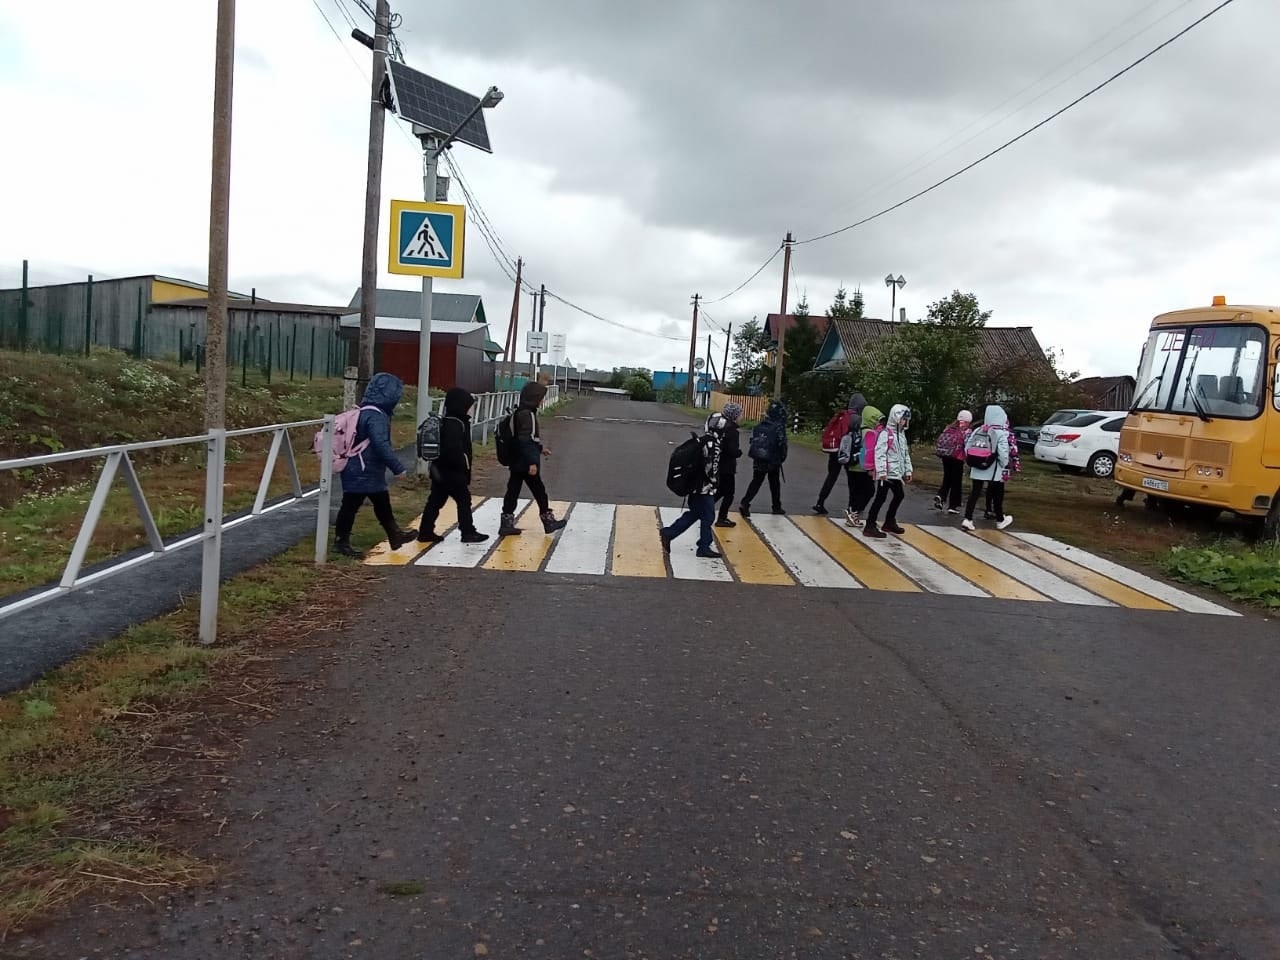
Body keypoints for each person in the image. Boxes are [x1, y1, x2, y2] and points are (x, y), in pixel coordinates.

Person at [333, 372, 417, 558]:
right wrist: (397, 468)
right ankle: (341, 542)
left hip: (361, 467)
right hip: (364, 468)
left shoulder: (364, 411)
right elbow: (381, 445)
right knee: (352, 505)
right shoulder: (376, 416)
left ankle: (394, 534)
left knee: (380, 501)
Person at [417, 388, 488, 545]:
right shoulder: (456, 424)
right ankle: (467, 531)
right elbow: (453, 449)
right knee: (464, 500)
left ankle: (425, 532)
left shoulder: (448, 421)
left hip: (439, 470)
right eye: (469, 406)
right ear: (461, 405)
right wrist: (463, 467)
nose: (471, 409)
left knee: (435, 501)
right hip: (453, 472)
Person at [498, 381, 568, 537]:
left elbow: (524, 438)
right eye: (541, 398)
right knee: (539, 492)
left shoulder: (519, 412)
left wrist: (540, 448)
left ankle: (506, 523)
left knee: (512, 491)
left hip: (516, 459)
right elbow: (526, 440)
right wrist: (532, 462)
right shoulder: (527, 415)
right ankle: (548, 521)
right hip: (525, 462)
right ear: (534, 398)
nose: (542, 401)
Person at [660, 421, 723, 559]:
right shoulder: (713, 444)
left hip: (694, 487)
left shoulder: (703, 440)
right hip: (704, 488)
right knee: (708, 516)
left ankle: (669, 533)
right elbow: (709, 467)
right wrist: (714, 482)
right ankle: (703, 547)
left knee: (695, 513)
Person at [864, 404, 913, 538]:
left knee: (898, 495)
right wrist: (881, 472)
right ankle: (870, 525)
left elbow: (905, 454)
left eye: (906, 419)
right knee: (881, 498)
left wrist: (908, 471)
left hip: (895, 474)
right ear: (895, 418)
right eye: (902, 418)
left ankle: (889, 522)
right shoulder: (886, 434)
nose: (904, 421)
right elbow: (879, 453)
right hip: (886, 474)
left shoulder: (901, 435)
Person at [963, 404, 1014, 531]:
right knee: (996, 495)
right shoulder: (1001, 434)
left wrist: (973, 460)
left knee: (974, 493)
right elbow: (1003, 454)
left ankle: (968, 519)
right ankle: (1000, 520)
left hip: (976, 466)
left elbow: (967, 447)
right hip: (993, 470)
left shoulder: (978, 430)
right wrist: (1003, 464)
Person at [814, 392, 866, 516]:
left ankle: (820, 502)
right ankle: (852, 507)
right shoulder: (857, 418)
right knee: (852, 481)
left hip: (835, 450)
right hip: (847, 452)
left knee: (831, 477)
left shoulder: (842, 415)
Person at [739, 399, 788, 517]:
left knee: (756, 481)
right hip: (773, 460)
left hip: (759, 457)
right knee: (774, 483)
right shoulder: (779, 426)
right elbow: (782, 444)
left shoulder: (761, 424)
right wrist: (782, 457)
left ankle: (745, 502)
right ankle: (776, 506)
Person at [844, 403, 882, 527]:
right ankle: (854, 513)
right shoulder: (871, 433)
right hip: (863, 468)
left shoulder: (856, 429)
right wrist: (873, 468)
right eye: (877, 420)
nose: (878, 423)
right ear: (871, 419)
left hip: (851, 466)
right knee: (869, 491)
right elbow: (871, 452)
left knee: (854, 492)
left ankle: (851, 513)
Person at [710, 401, 743, 528]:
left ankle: (704, 509)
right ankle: (721, 518)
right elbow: (732, 450)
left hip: (719, 463)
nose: (741, 417)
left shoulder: (722, 426)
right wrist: (738, 452)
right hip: (727, 467)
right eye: (740, 414)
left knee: (721, 491)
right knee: (729, 493)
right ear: (734, 415)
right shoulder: (732, 430)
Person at [933, 409, 972, 514]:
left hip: (946, 456)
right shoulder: (967, 430)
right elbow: (967, 445)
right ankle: (953, 506)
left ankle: (941, 496)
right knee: (956, 481)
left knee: (947, 477)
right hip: (957, 457)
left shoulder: (949, 427)